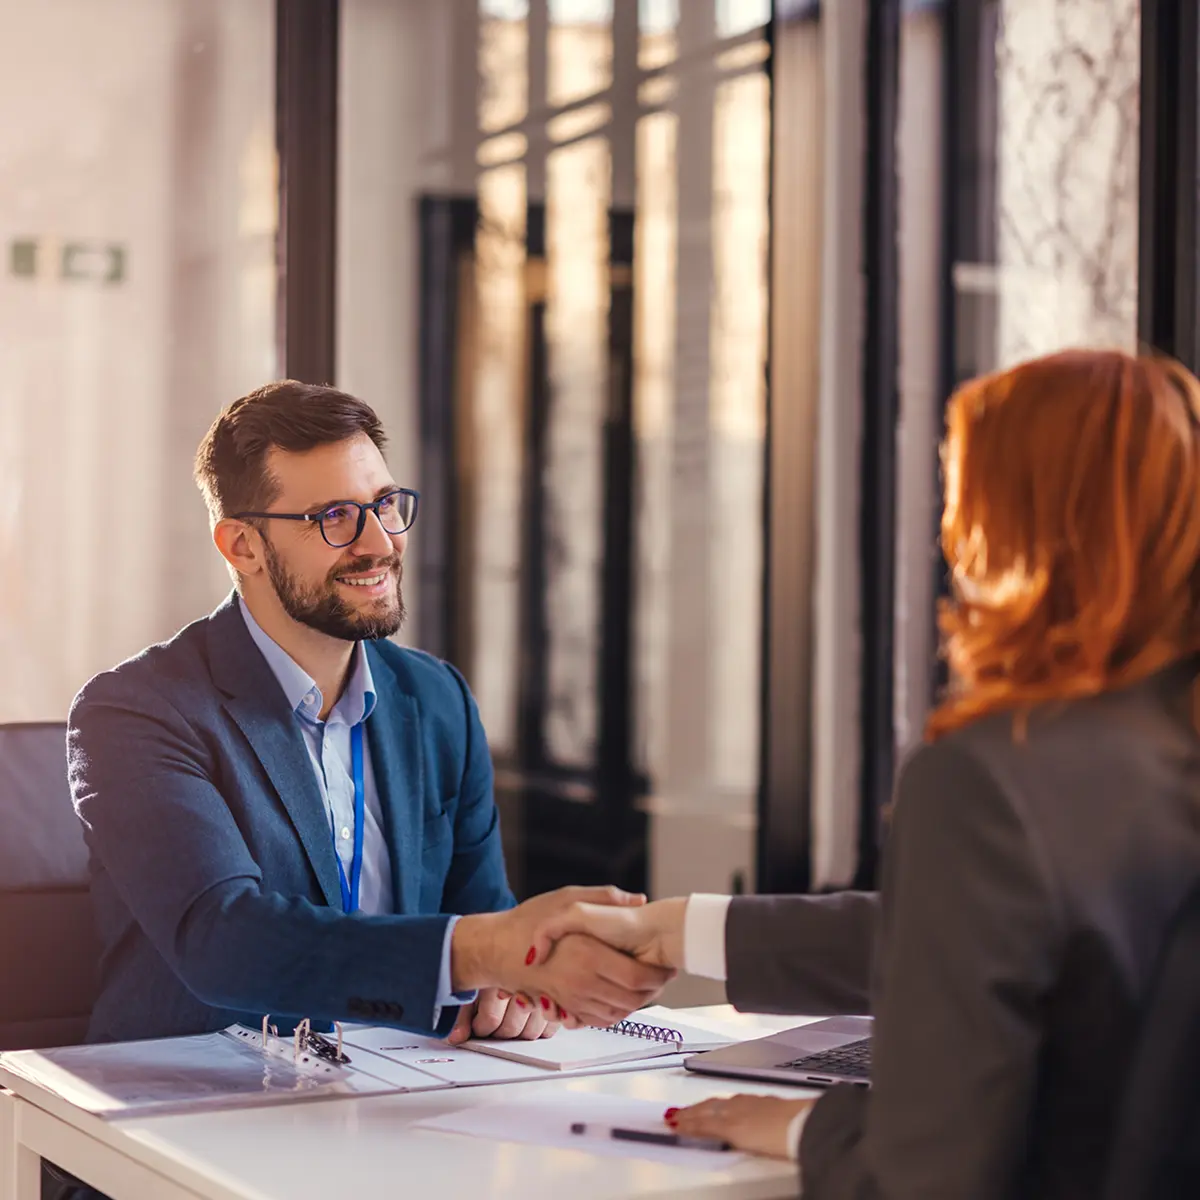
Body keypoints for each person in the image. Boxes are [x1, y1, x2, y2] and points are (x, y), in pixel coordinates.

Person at [539, 349, 1200, 1198]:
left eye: (960, 497)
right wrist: (684, 929)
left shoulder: (991, 783)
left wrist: (806, 1128)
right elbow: (1000, 933)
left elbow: (930, 1178)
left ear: (1014, 529)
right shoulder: (1152, 758)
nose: (947, 534)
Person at [67, 380, 671, 1048]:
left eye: (385, 505)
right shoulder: (136, 713)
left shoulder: (437, 700)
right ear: (242, 546)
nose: (379, 543)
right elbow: (223, 943)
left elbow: (485, 922)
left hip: (406, 1088)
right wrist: (485, 950)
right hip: (188, 1105)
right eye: (334, 518)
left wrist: (519, 984)